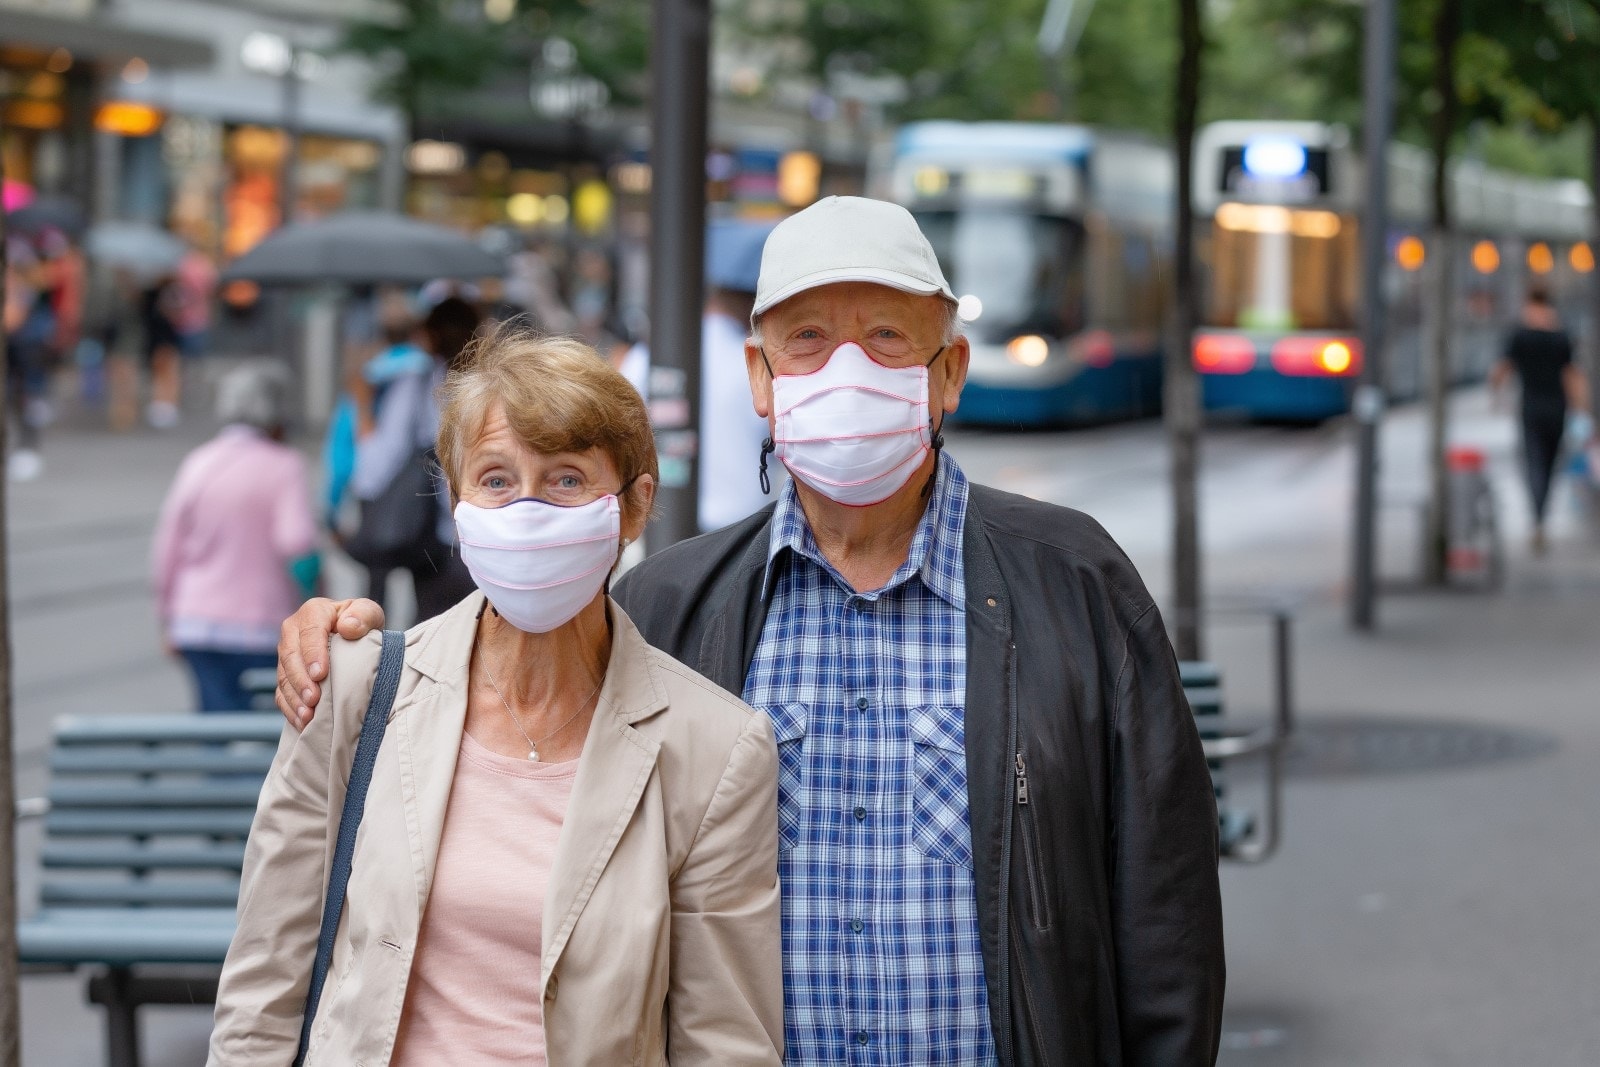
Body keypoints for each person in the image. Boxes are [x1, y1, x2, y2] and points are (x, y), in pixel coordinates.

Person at [275, 196, 1226, 1064]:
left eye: (886, 337)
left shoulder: (1074, 584)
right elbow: (518, 738)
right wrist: (352, 643)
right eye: (807, 340)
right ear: (760, 379)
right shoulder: (671, 606)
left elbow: (1166, 914)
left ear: (949, 374)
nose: (846, 370)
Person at [210, 330, 782, 1065]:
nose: (527, 510)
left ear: (635, 506)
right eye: (497, 479)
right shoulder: (356, 689)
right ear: (457, 502)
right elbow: (263, 982)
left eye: (567, 479)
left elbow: (724, 1041)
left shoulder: (712, 748)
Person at [152, 365, 319, 711]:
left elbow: (167, 548)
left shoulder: (198, 461)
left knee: (214, 722)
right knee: (270, 727)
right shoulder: (285, 465)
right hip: (262, 625)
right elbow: (297, 542)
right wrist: (317, 599)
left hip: (196, 622)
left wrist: (167, 616)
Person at [348, 296, 481, 620]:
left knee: (434, 632)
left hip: (439, 536)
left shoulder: (420, 383)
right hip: (487, 536)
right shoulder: (493, 386)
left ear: (431, 335)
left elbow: (380, 461)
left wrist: (363, 408)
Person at [1490, 284, 1591, 553]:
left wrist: (1495, 396)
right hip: (1557, 409)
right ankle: (1540, 516)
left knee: (1533, 461)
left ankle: (1537, 518)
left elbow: (1501, 369)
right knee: (1549, 464)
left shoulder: (1520, 335)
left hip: (1531, 408)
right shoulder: (1561, 335)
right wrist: (1581, 409)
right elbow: (1572, 375)